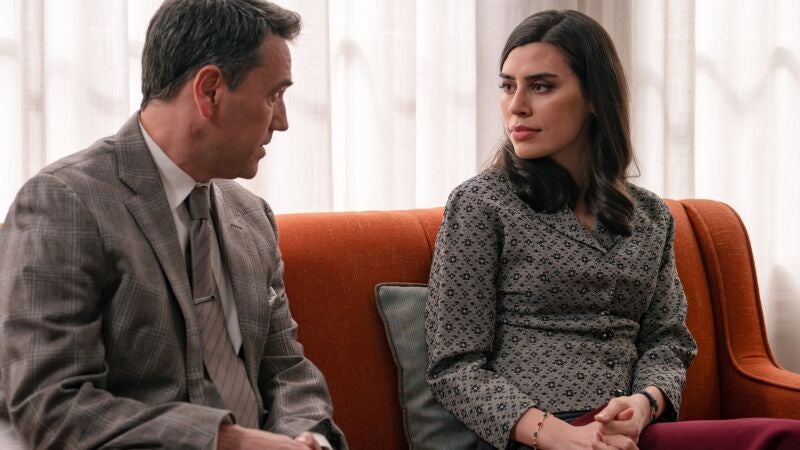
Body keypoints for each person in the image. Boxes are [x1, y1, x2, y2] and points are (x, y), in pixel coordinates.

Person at [425, 9, 800, 450]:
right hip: (536, 435)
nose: (516, 106)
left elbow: (667, 340)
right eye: (508, 86)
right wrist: (562, 437)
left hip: (631, 433)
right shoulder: (481, 203)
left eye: (541, 86)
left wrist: (645, 404)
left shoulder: (650, 216)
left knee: (784, 436)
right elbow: (454, 368)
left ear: (594, 98)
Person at [0, 1, 347, 449]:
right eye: (273, 96)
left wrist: (307, 438)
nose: (282, 122)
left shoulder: (251, 216)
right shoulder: (64, 203)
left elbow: (287, 370)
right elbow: (51, 405)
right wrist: (228, 442)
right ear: (210, 91)